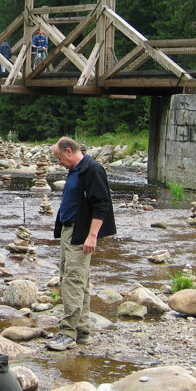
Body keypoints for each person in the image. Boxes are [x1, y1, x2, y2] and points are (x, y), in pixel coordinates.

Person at [46, 136, 116, 351]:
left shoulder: (92, 169)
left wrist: (92, 235)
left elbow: (101, 204)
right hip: (70, 231)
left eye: (59, 157)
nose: (58, 162)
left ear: (69, 151)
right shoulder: (76, 170)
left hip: (81, 232)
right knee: (79, 280)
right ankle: (83, 331)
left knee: (72, 282)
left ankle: (67, 333)